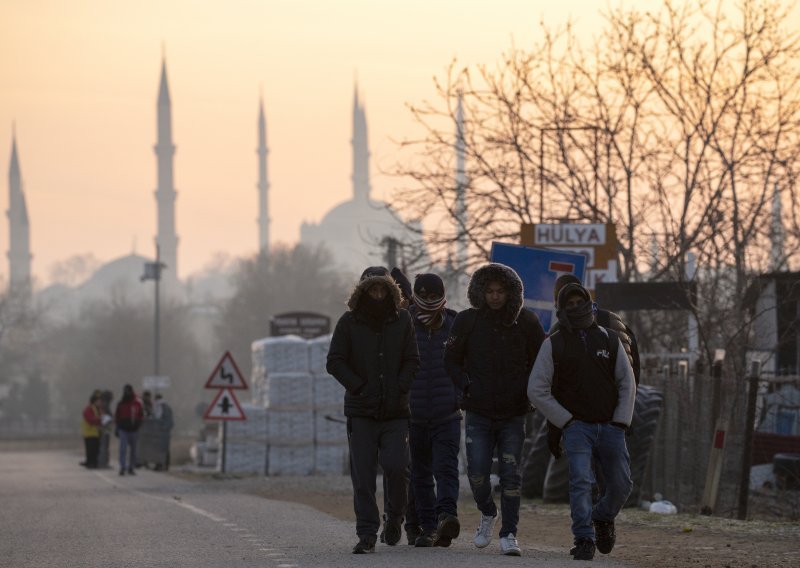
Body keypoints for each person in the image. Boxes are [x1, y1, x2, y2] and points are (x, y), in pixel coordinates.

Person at [528, 282, 636, 561]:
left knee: (622, 485)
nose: (576, 308)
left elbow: (627, 382)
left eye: (580, 301)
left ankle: (601, 517)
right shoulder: (554, 343)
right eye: (569, 304)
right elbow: (537, 389)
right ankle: (584, 538)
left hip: (611, 426)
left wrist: (621, 421)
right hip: (577, 429)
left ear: (589, 303)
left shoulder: (610, 339)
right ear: (561, 309)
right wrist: (565, 421)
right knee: (580, 483)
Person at [444, 263, 545, 556]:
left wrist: (528, 390)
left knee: (511, 476)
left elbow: (542, 363)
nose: (495, 296)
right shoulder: (466, 321)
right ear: (480, 292)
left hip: (514, 412)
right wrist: (466, 386)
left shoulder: (526, 322)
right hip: (478, 411)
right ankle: (488, 512)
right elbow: (450, 360)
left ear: (511, 292)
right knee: (477, 473)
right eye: (489, 291)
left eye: (501, 291)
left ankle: (510, 533)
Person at [327, 266, 420, 554]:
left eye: (383, 290)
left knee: (396, 467)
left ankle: (394, 517)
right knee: (363, 477)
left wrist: (400, 387)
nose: (378, 295)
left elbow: (412, 360)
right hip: (362, 412)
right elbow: (335, 361)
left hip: (395, 412)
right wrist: (358, 386)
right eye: (373, 290)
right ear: (363, 292)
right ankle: (366, 534)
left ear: (391, 291)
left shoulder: (403, 320)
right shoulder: (349, 322)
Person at [407, 273, 461, 547]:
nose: (428, 301)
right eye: (423, 296)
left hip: (447, 415)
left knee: (446, 469)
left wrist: (460, 396)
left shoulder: (454, 326)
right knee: (420, 474)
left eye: (433, 296)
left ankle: (446, 517)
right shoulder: (405, 325)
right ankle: (427, 527)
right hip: (413, 415)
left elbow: (467, 365)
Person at [115, 384, 145, 476]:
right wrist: (118, 427)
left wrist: (138, 424)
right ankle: (123, 466)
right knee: (123, 449)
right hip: (123, 429)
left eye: (128, 391)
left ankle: (131, 467)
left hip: (134, 430)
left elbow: (141, 415)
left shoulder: (137, 403)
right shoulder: (121, 404)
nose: (127, 393)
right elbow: (117, 416)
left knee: (133, 450)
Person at [80, 390, 103, 469]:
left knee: (95, 449)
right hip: (89, 433)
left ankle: (93, 463)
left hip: (95, 433)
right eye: (99, 401)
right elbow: (90, 419)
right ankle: (91, 463)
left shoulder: (98, 409)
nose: (100, 403)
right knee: (91, 450)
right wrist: (100, 419)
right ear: (94, 401)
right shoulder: (89, 409)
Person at [152, 393, 174, 471]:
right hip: (164, 431)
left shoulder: (160, 406)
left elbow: (158, 419)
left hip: (162, 432)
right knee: (164, 449)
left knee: (160, 449)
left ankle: (160, 465)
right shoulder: (166, 406)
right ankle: (164, 465)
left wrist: (161, 429)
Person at [97, 390, 114, 468]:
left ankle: (103, 462)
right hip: (105, 427)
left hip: (103, 427)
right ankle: (103, 463)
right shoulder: (105, 405)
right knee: (104, 446)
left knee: (104, 445)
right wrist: (112, 417)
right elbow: (108, 415)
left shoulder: (101, 404)